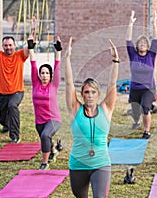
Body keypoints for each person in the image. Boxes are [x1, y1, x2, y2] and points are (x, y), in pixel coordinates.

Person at [65, 37, 119, 198]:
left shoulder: (106, 108)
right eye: (86, 92)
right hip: (78, 165)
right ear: (82, 94)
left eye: (93, 92)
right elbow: (69, 84)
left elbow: (112, 84)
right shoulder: (75, 110)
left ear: (98, 94)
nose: (90, 95)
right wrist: (67, 58)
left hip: (101, 164)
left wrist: (116, 61)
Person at [0, 13, 29, 143]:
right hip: (2, 93)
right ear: (3, 46)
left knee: (13, 106)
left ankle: (15, 136)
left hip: (17, 92)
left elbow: (29, 46)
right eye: (6, 45)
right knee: (3, 117)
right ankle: (6, 124)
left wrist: (34, 30)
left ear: (14, 45)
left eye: (10, 45)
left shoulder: (20, 55)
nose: (8, 47)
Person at [28, 34, 62, 170]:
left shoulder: (54, 85)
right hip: (39, 120)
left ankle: (45, 163)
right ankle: (54, 151)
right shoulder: (36, 83)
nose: (44, 75)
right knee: (45, 138)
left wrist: (58, 51)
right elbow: (33, 65)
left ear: (51, 75)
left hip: (53, 119)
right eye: (42, 73)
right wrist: (31, 48)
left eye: (47, 73)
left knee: (45, 135)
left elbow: (57, 66)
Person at [126, 10, 157, 139]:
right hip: (135, 88)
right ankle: (136, 122)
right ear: (137, 46)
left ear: (148, 46)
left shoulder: (151, 55)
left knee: (145, 107)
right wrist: (130, 23)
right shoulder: (133, 55)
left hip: (148, 88)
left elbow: (155, 39)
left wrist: (154, 23)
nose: (143, 44)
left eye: (145, 43)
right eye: (140, 43)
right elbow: (128, 39)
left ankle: (146, 131)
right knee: (135, 111)